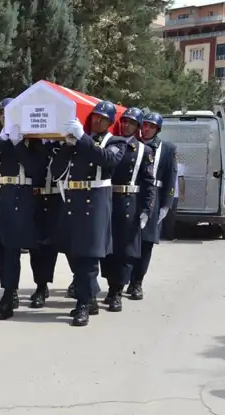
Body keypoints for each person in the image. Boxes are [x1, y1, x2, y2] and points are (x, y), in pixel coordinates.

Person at [52, 101, 127, 327]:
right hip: (74, 200)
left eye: (102, 118)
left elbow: (107, 159)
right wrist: (67, 145)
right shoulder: (79, 140)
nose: (97, 121)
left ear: (110, 122)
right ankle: (90, 296)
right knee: (74, 253)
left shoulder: (116, 142)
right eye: (95, 116)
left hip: (94, 202)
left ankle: (83, 303)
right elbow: (56, 170)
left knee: (88, 256)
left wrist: (82, 137)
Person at [0, 98, 44, 320]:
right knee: (1, 248)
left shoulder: (30, 141)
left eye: (10, 113)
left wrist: (16, 143)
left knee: (13, 248)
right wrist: (2, 139)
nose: (6, 117)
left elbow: (35, 169)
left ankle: (9, 296)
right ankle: (9, 289)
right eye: (2, 114)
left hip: (20, 197)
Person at [98, 107, 155, 313]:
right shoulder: (111, 143)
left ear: (138, 127)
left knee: (125, 251)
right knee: (107, 249)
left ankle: (117, 292)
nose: (126, 125)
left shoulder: (143, 151)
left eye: (131, 123)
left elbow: (149, 183)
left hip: (129, 202)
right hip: (108, 199)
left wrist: (146, 209)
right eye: (124, 121)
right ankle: (110, 285)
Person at [128, 112, 177, 300]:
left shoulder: (167, 149)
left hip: (154, 198)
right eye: (145, 125)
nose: (146, 129)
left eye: (151, 127)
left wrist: (166, 205)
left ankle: (137, 283)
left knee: (146, 243)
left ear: (157, 129)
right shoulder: (133, 144)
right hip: (133, 195)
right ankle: (123, 279)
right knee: (129, 241)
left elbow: (171, 178)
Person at [28, 139, 64, 308]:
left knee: (60, 245)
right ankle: (41, 286)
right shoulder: (31, 143)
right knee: (36, 247)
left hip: (57, 198)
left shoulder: (62, 144)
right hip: (34, 198)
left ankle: (83, 285)